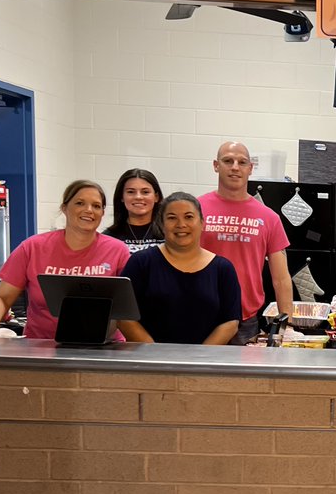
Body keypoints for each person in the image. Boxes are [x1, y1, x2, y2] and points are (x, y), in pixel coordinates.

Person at [0, 180, 130, 339]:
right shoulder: (32, 247)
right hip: (43, 346)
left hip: (104, 348)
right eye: (80, 203)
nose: (88, 210)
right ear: (64, 208)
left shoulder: (118, 251)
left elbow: (129, 307)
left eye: (96, 206)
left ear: (102, 213)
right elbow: (2, 297)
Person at [199, 141, 293, 345]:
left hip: (246, 320)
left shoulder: (269, 218)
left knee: (245, 378)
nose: (235, 167)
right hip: (200, 314)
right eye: (228, 161)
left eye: (242, 162)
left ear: (250, 169)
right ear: (216, 165)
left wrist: (288, 326)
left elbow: (281, 279)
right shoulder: (196, 210)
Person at [118, 192, 240, 345]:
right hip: (150, 362)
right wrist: (156, 354)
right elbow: (124, 316)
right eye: (171, 218)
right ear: (161, 225)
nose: (181, 224)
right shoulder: (141, 263)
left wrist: (199, 358)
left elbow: (230, 322)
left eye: (189, 217)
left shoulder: (223, 269)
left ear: (202, 222)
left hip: (205, 363)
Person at [103, 168, 165, 254]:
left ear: (156, 197)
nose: (138, 197)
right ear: (122, 197)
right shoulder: (108, 238)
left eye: (145, 192)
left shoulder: (169, 234)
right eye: (131, 192)